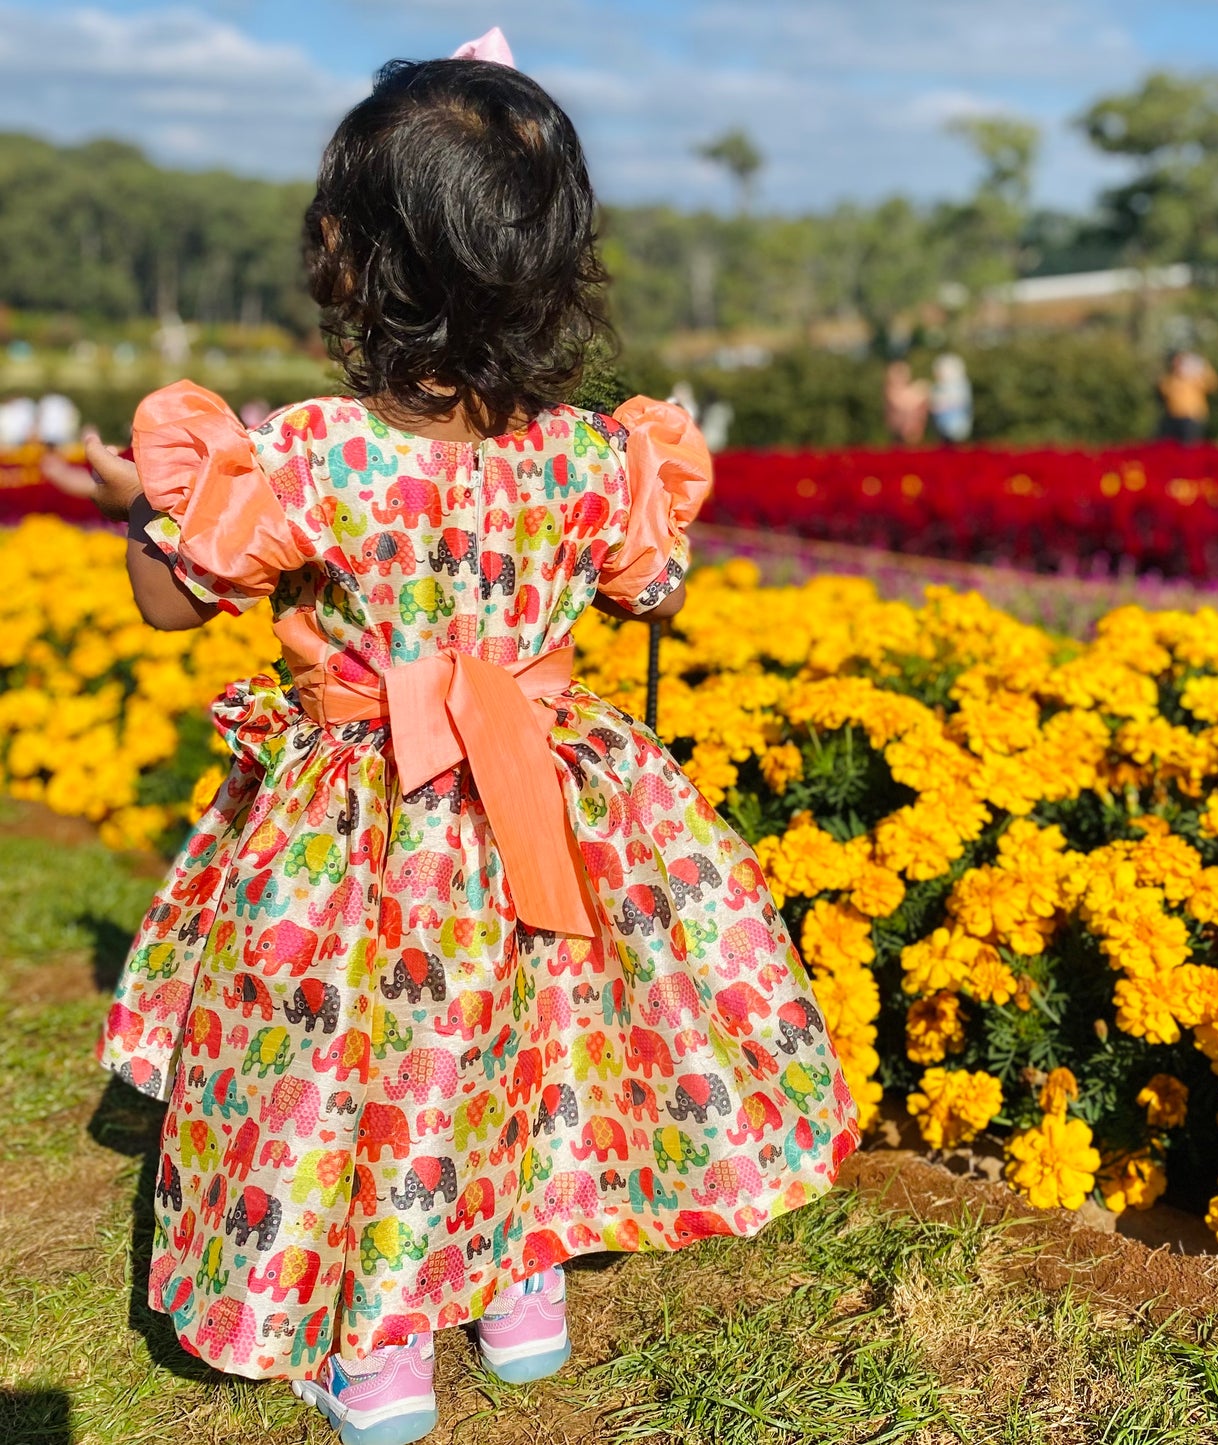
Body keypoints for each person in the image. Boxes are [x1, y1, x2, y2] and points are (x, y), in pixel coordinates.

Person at [88, 31, 858, 1445]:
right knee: (533, 1027)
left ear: (349, 258)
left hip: (366, 825)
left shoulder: (311, 454)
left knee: (365, 1050)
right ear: (556, 267)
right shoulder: (591, 454)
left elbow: (168, 602)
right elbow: (648, 586)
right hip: (549, 805)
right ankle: (521, 1294)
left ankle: (380, 1342)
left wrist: (149, 505)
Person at [1157, 349, 1218, 445]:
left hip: (1192, 417)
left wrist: (1203, 367)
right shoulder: (1170, 379)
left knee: (1190, 446)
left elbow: (1213, 385)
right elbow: (1163, 391)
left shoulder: (1194, 379)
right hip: (1173, 417)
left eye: (1180, 362)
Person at [883, 360, 930, 446]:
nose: (900, 378)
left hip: (913, 431)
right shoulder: (890, 392)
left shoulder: (910, 390)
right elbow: (902, 404)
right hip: (898, 428)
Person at [929, 353, 972, 445]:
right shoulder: (938, 387)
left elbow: (959, 402)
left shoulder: (959, 385)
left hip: (955, 425)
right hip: (942, 424)